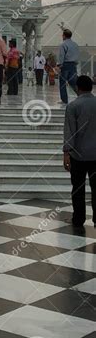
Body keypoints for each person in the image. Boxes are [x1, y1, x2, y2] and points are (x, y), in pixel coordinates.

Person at [63, 75, 96, 228]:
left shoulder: (73, 106)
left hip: (78, 156)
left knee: (78, 188)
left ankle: (78, 219)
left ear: (78, 88)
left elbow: (70, 132)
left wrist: (66, 153)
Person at [57, 29, 79, 104]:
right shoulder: (75, 44)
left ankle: (64, 100)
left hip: (65, 65)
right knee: (73, 82)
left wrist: (60, 65)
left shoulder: (63, 44)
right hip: (73, 65)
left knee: (62, 83)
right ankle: (81, 96)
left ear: (64, 36)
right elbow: (77, 55)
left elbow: (61, 56)